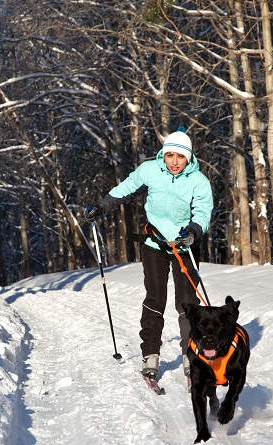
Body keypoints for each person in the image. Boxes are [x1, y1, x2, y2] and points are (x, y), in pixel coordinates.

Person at [84, 128, 213, 388]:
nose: (174, 162)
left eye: (180, 156)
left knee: (188, 303)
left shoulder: (199, 181)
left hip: (185, 245)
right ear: (163, 155)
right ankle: (150, 356)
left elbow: (203, 212)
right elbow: (126, 188)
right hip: (154, 244)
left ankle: (192, 355)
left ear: (189, 158)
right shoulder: (150, 170)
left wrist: (193, 232)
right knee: (155, 299)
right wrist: (102, 206)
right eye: (169, 156)